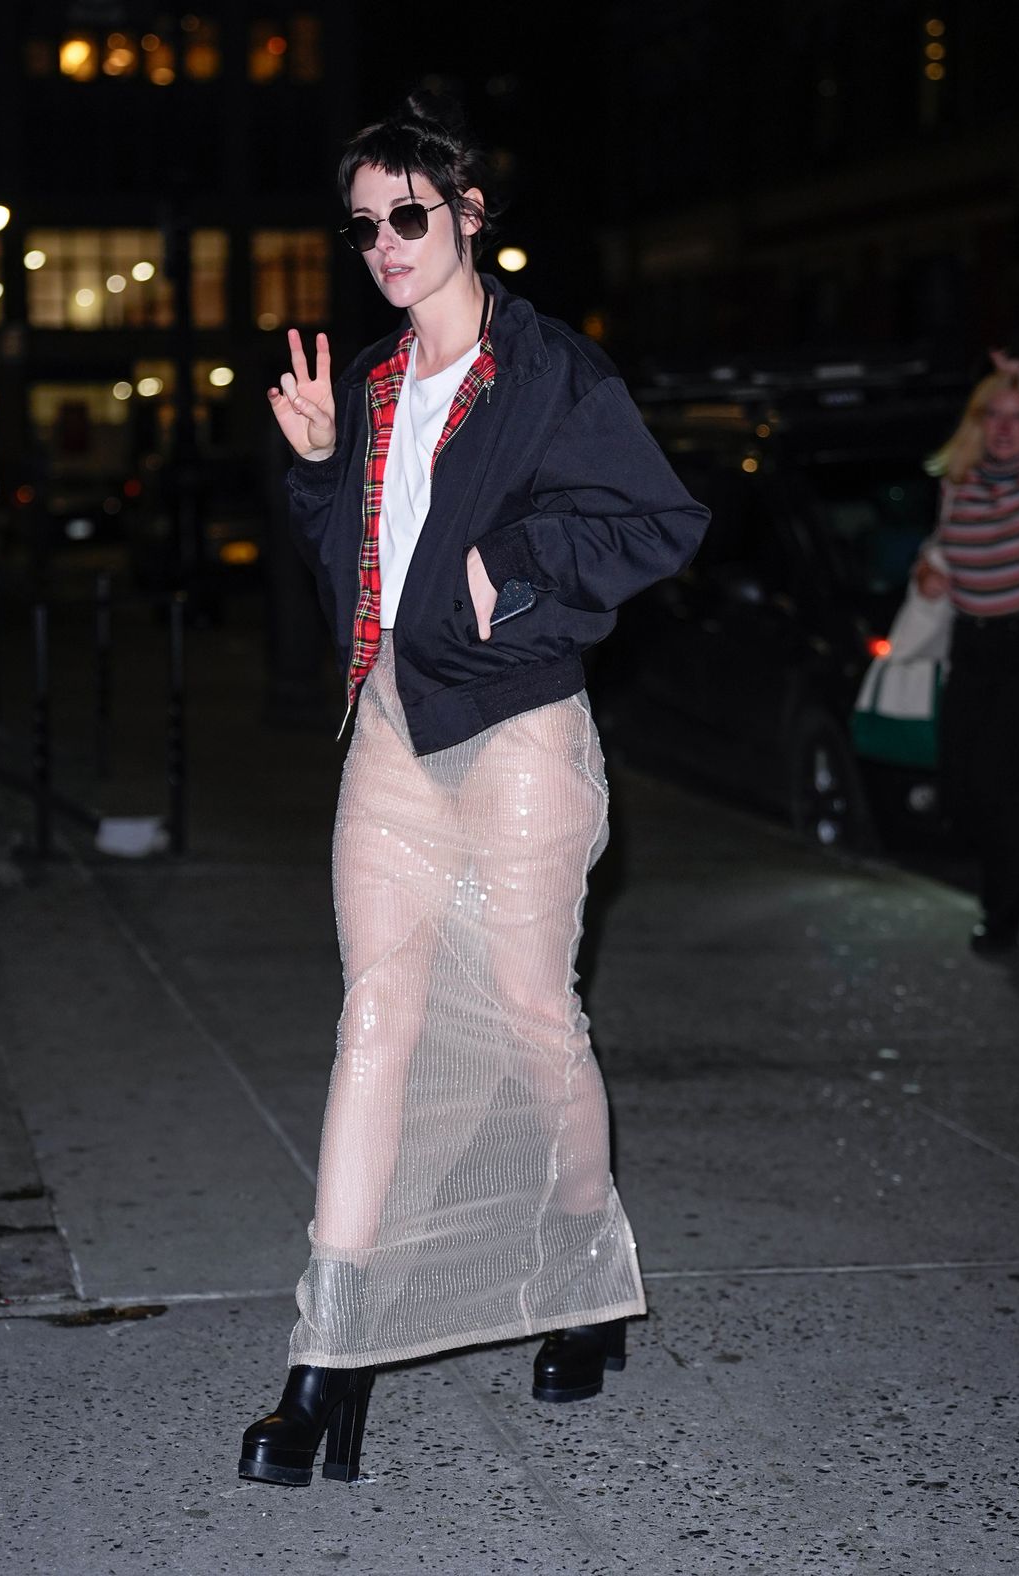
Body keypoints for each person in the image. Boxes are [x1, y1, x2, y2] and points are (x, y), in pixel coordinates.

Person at [238, 94, 710, 1488]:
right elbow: (353, 568)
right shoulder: (373, 381)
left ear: (469, 214)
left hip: (519, 734)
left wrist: (524, 564)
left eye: (409, 215)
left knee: (529, 1016)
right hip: (392, 726)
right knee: (375, 1020)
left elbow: (660, 518)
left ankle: (583, 1269)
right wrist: (317, 470)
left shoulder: (549, 370)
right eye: (364, 225)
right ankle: (326, 1366)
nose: (385, 243)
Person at [915, 348, 1019, 954]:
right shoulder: (959, 484)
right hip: (972, 647)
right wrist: (927, 569)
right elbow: (941, 548)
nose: (1004, 428)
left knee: (995, 784)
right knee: (961, 789)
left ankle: (1002, 916)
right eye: (994, 413)